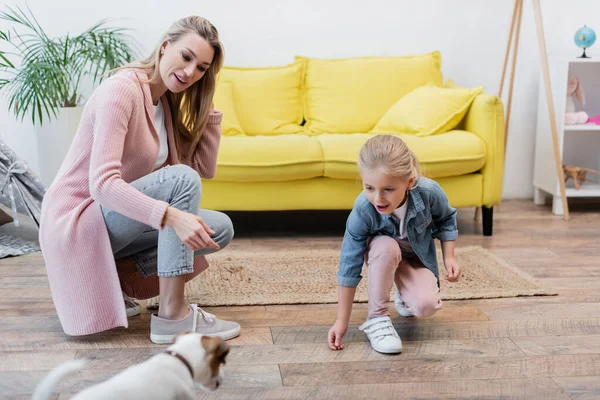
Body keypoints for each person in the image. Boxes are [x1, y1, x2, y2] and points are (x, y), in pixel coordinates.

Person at [39, 16, 241, 344]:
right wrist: (172, 217)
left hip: (114, 220)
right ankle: (174, 316)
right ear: (164, 47)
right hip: (78, 218)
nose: (190, 72)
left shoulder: (167, 102)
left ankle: (114, 282)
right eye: (186, 57)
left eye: (202, 68)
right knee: (182, 189)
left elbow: (203, 168)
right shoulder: (121, 91)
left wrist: (208, 106)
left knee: (218, 228)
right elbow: (102, 184)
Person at [327, 134, 461, 354]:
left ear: (409, 182)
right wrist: (341, 321)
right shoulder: (363, 210)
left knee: (425, 306)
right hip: (384, 255)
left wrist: (450, 257)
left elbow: (446, 219)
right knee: (385, 246)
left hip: (414, 258)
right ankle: (377, 318)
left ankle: (403, 291)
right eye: (369, 188)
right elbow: (348, 266)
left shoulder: (428, 193)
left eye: (388, 189)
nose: (378, 198)